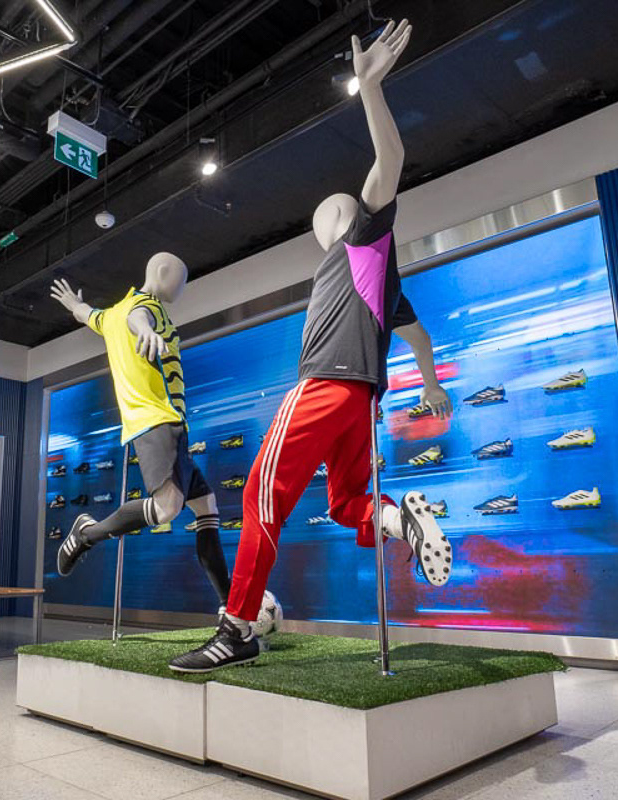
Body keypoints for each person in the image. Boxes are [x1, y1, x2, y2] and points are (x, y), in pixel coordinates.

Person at [168, 19, 454, 673]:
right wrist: (431, 382)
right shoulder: (381, 280)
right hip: (361, 403)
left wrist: (370, 87)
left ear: (341, 220)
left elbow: (390, 163)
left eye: (328, 216)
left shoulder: (362, 240)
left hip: (326, 385)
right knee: (347, 503)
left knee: (258, 496)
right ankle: (400, 521)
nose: (324, 224)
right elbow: (417, 334)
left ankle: (237, 629)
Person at [49, 253, 231, 609]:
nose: (182, 288)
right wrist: (146, 331)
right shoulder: (147, 307)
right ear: (161, 273)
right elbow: (139, 317)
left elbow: (88, 315)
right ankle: (86, 534)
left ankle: (231, 607)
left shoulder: (110, 316)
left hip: (167, 424)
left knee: (206, 507)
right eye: (181, 280)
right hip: (157, 420)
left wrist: (74, 305)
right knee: (166, 509)